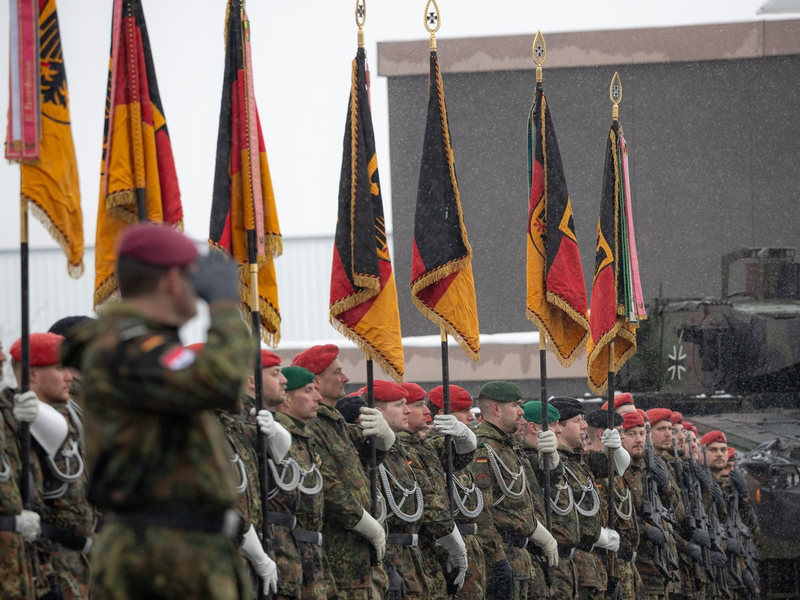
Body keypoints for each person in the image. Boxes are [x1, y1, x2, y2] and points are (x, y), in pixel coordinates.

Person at [61, 222, 265, 599]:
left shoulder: (142, 345)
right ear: (174, 281)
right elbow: (219, 380)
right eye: (194, 277)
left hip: (180, 549)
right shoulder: (124, 349)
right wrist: (222, 306)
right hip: (156, 556)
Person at [294, 345, 391, 600]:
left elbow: (370, 458)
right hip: (339, 554)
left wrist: (386, 436)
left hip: (359, 557)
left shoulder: (336, 425)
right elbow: (327, 486)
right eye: (337, 372)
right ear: (316, 382)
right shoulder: (312, 426)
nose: (345, 378)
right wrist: (367, 524)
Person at [10, 332, 95, 600]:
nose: (70, 376)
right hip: (50, 566)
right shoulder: (14, 424)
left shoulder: (69, 414)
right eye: (61, 368)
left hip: (82, 560)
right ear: (32, 375)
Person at [472, 382, 557, 600]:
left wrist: (552, 462)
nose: (522, 412)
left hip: (522, 556)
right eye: (515, 405)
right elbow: (481, 513)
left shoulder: (509, 448)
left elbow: (536, 495)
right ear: (496, 409)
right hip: (502, 555)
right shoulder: (482, 449)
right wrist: (498, 560)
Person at [267, 366, 336, 600]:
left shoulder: (305, 438)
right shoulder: (275, 436)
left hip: (311, 552)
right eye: (309, 390)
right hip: (285, 549)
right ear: (287, 398)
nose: (318, 396)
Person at [398, 382, 470, 600]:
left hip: (431, 547)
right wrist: (456, 547)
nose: (427, 411)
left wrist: (464, 435)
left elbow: (461, 459)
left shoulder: (422, 445)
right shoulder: (402, 449)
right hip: (418, 546)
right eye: (419, 405)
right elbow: (431, 505)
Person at [549, 398, 620, 600]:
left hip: (590, 567)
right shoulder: (554, 464)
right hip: (570, 565)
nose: (584, 425)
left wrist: (614, 447)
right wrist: (601, 536)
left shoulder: (578, 460)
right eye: (577, 420)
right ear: (559, 426)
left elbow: (618, 468)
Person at [427, 384, 487, 600]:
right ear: (443, 415)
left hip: (471, 545)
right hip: (446, 546)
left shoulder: (460, 450)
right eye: (463, 411)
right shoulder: (434, 448)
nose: (471, 417)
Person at [0, 333, 41, 599]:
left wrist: (38, 416)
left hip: (15, 567)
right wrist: (11, 521)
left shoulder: (6, 408)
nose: (3, 358)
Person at [518, 400, 565, 600]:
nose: (558, 431)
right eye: (553, 424)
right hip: (528, 550)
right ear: (534, 427)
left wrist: (552, 458)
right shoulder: (522, 456)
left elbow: (551, 481)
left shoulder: (540, 456)